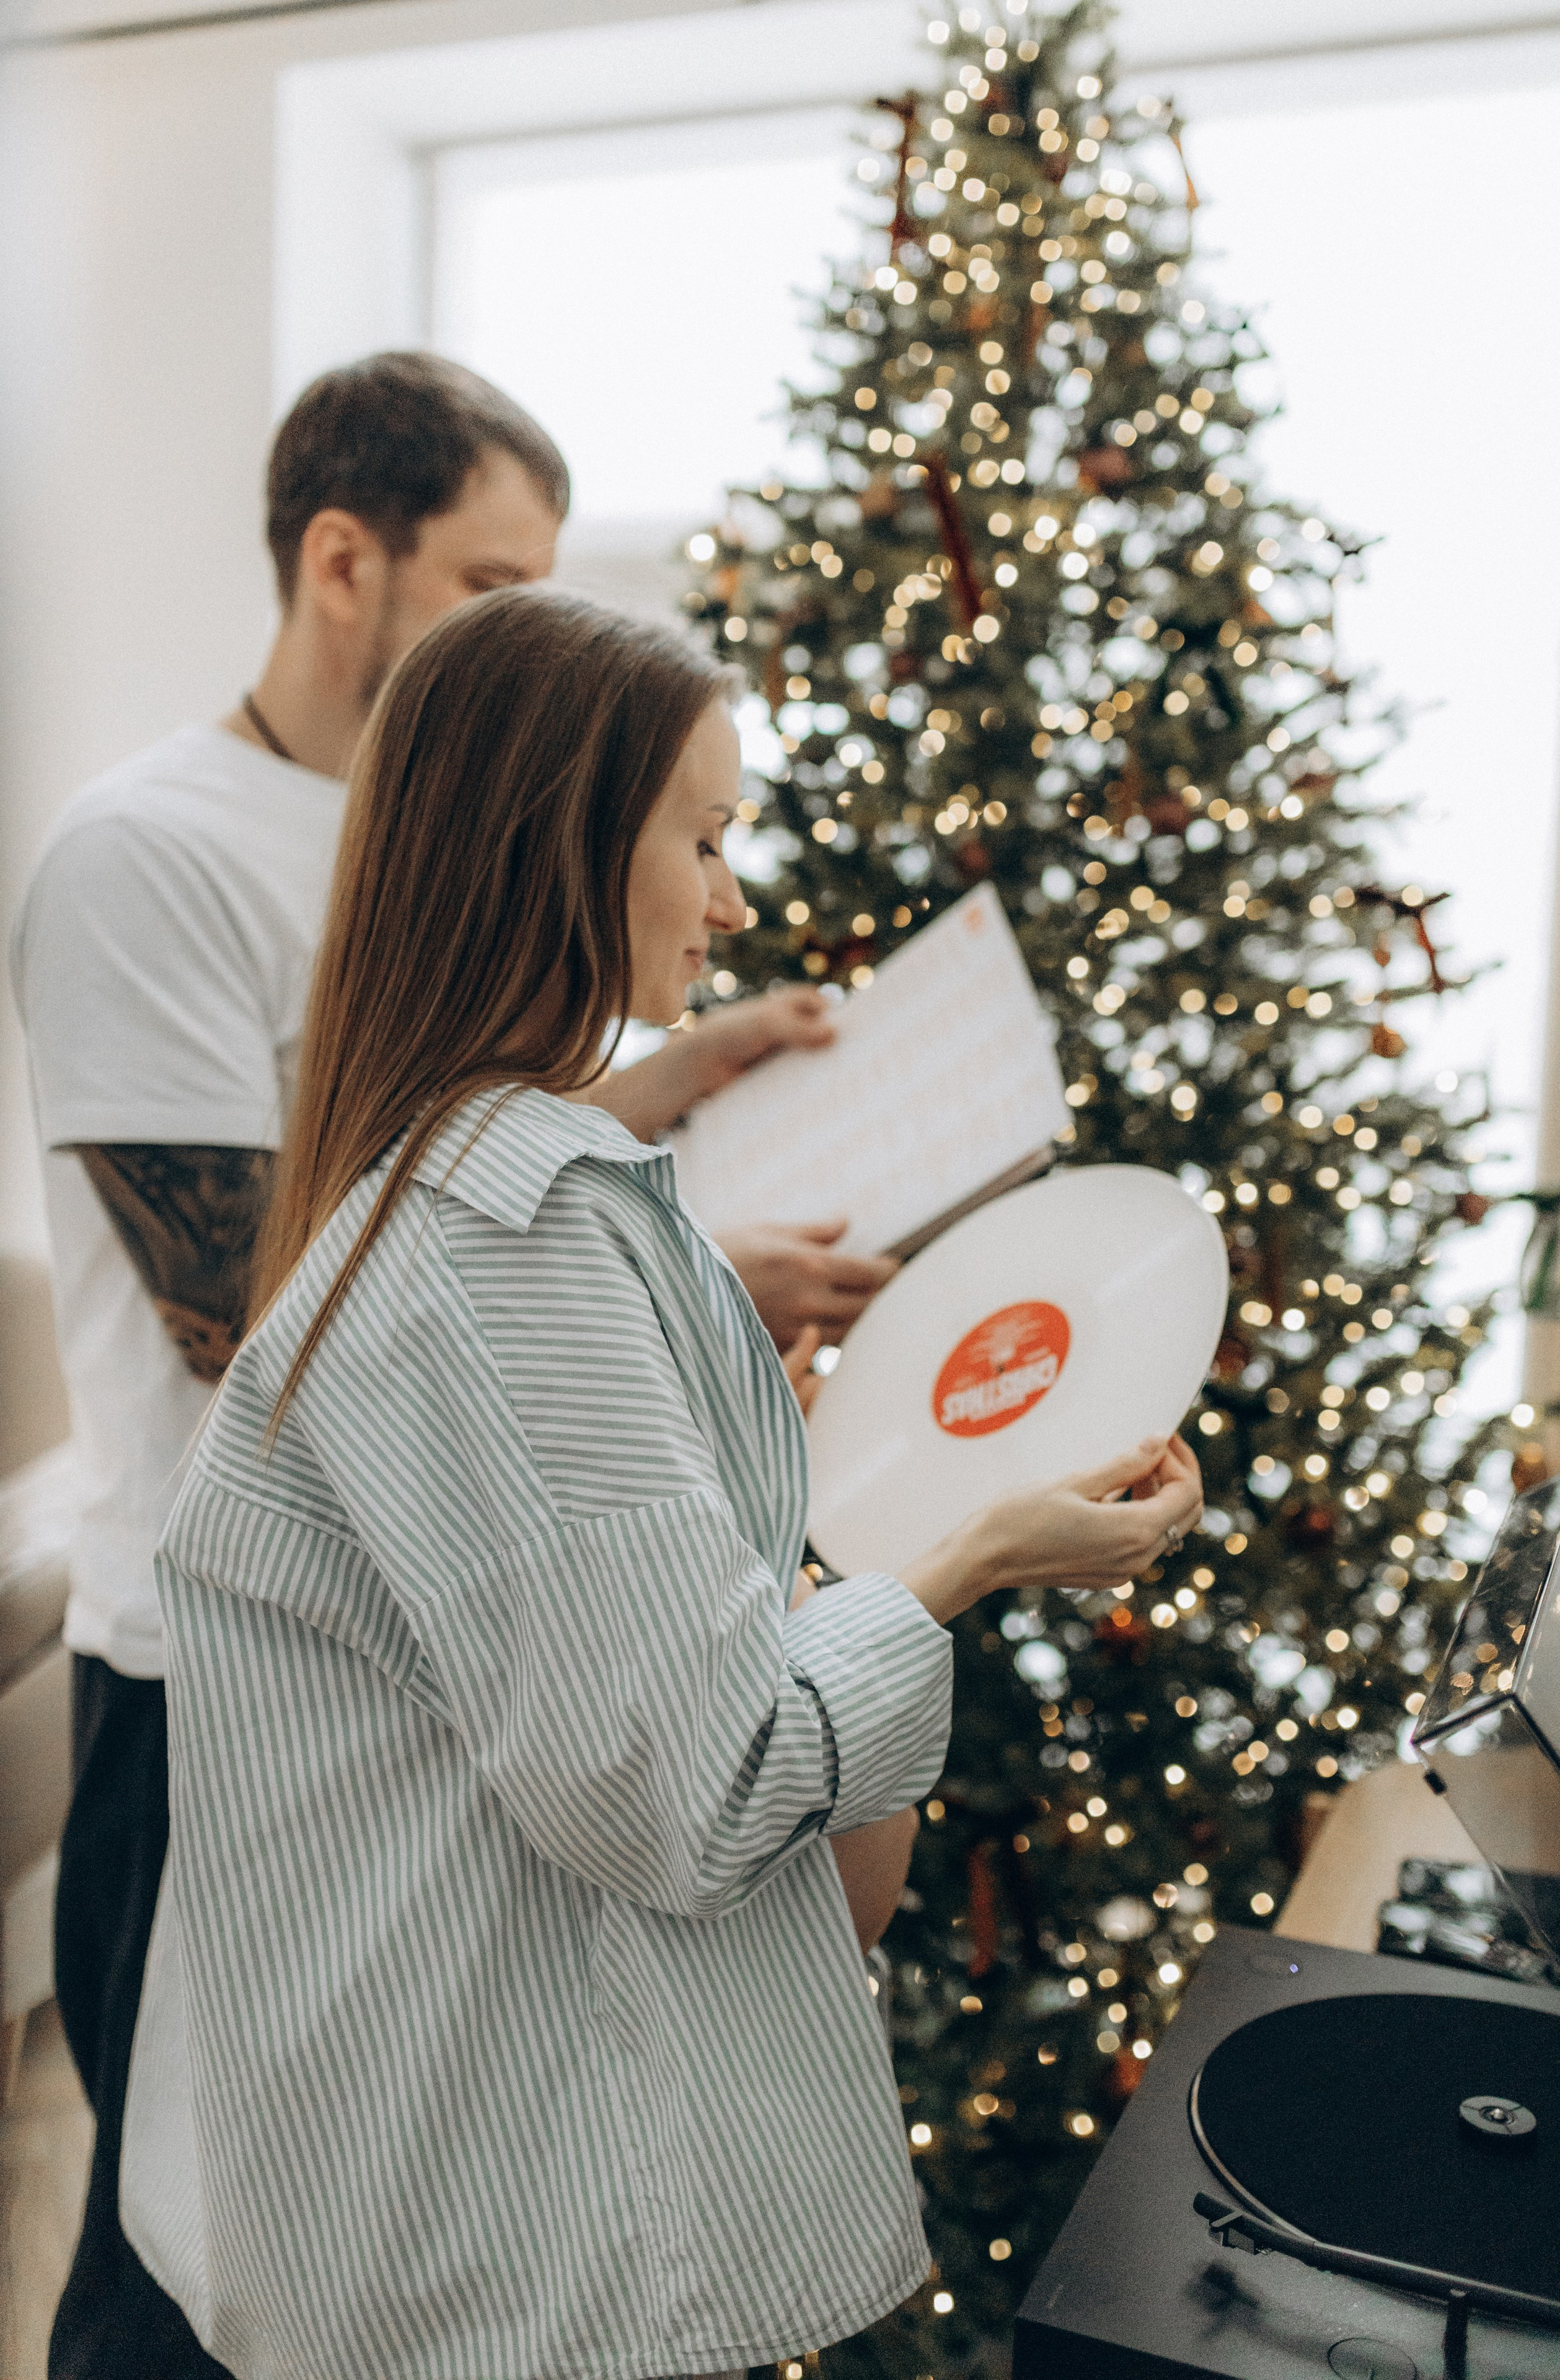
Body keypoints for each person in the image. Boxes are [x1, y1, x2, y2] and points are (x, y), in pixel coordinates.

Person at [121, 584, 1204, 2380]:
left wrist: (743, 1497)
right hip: (504, 2253)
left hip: (443, 2206)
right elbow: (692, 1791)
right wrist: (963, 1554)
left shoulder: (445, 1193)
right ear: (561, 843)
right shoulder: (514, 1243)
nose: (730, 894)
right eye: (701, 833)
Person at [9, 352, 892, 2380]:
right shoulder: (151, 856)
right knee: (182, 2259)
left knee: (367, 2225)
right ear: (345, 559)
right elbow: (263, 1299)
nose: (526, 623)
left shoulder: (417, 819)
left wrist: (663, 1095)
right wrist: (674, 1284)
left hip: (433, 1636)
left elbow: (428, 1152)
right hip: (208, 1658)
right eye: (491, 580)